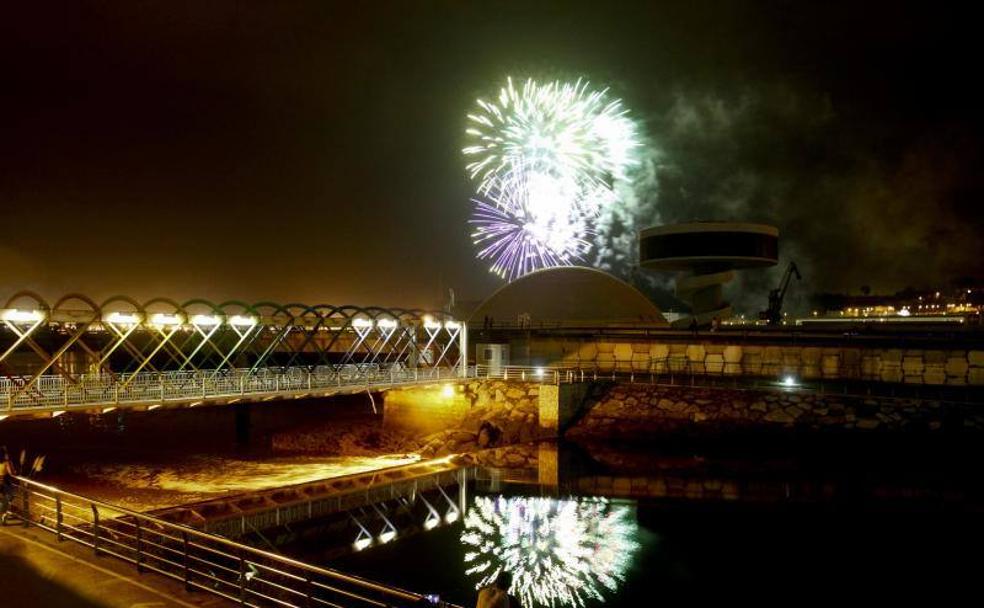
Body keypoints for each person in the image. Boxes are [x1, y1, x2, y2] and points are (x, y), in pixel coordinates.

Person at [1, 447, 16, 525]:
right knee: (8, 499)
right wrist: (15, 472)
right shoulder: (7, 462)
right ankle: (3, 516)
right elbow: (12, 473)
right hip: (4, 483)